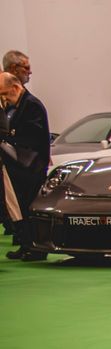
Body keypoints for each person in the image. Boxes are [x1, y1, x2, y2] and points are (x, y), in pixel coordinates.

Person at [0, 70, 50, 260]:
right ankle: (27, 245)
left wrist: (11, 137)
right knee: (22, 207)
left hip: (32, 165)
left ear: (15, 87)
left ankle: (36, 248)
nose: (4, 98)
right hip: (22, 165)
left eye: (5, 93)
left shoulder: (31, 105)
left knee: (30, 207)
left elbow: (32, 136)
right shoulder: (19, 105)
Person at [1, 50, 31, 237]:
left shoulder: (27, 102)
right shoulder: (22, 102)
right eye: (26, 68)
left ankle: (19, 232)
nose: (30, 72)